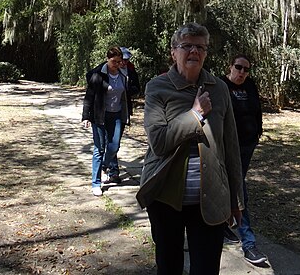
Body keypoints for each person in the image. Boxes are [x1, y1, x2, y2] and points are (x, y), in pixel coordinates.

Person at [136, 23, 244, 275]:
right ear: (174, 52)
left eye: (200, 47)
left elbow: (231, 145)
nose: (194, 51)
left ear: (206, 53)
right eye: (187, 46)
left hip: (211, 199)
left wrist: (236, 199)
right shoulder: (157, 87)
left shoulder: (220, 88)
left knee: (206, 269)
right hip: (165, 198)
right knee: (169, 265)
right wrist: (194, 114)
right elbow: (159, 142)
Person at [222, 54, 267, 265]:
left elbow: (256, 110)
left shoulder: (250, 85)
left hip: (248, 145)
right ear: (230, 67)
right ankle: (249, 244)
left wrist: (258, 131)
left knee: (233, 187)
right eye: (238, 67)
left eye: (246, 69)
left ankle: (222, 225)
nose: (242, 72)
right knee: (240, 192)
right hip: (227, 147)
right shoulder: (220, 86)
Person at [82, 46, 130, 196]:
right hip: (100, 116)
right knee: (99, 149)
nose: (116, 64)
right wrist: (86, 116)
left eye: (118, 61)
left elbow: (126, 95)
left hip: (116, 116)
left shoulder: (123, 75)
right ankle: (96, 183)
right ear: (107, 59)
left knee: (114, 146)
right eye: (113, 61)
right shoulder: (98, 75)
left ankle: (104, 166)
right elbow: (89, 97)